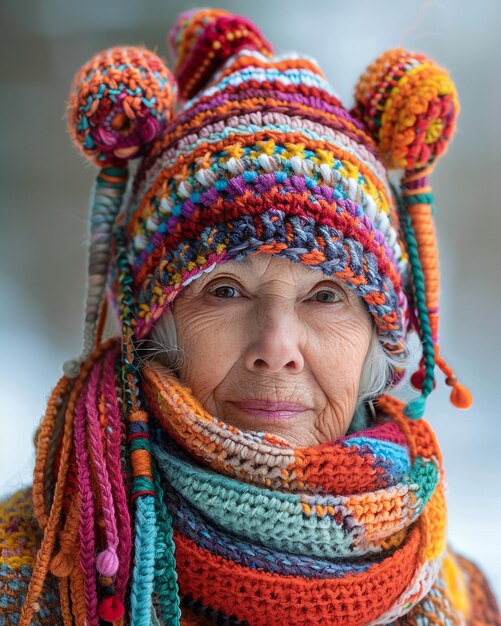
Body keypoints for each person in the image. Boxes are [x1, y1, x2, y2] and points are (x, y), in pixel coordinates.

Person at [1, 7, 499, 626]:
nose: (276, 346)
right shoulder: (31, 578)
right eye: (227, 290)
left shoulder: (465, 600)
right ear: (154, 324)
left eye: (325, 295)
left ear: (382, 337)